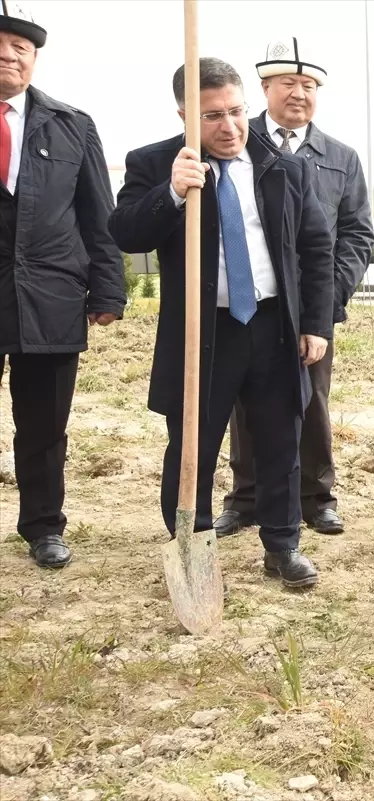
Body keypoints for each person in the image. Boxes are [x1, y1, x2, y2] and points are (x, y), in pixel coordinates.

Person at [108, 58, 334, 590]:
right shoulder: (157, 162)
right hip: (202, 333)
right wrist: (170, 194)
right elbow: (124, 232)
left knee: (281, 438)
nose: (229, 128)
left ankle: (282, 545)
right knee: (193, 442)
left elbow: (315, 248)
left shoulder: (283, 165)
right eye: (211, 116)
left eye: (236, 111)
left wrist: (316, 323)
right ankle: (192, 543)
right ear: (184, 114)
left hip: (274, 325)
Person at [215, 39, 373, 539]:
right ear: (264, 89)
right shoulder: (240, 144)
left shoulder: (340, 157)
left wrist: (328, 300)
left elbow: (356, 233)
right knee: (246, 403)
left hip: (310, 308)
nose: (299, 94)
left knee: (312, 400)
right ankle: (246, 498)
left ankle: (317, 497)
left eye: (309, 86)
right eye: (288, 84)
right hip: (253, 301)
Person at [0, 4, 125, 570]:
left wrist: (108, 292)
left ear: (34, 58)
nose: (8, 55)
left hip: (49, 295)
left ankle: (44, 526)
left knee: (46, 424)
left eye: (20, 47)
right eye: (0, 44)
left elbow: (98, 215)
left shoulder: (72, 124)